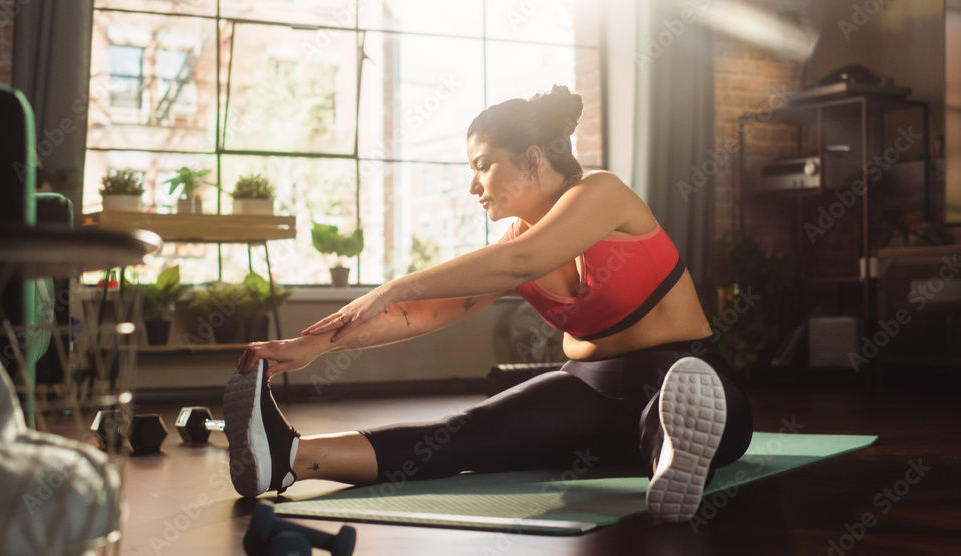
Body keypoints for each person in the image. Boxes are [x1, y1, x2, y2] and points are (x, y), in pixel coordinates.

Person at [225, 85, 753, 523]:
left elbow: (520, 263)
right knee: (465, 436)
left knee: (678, 410)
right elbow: (422, 312)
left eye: (483, 165)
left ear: (532, 159)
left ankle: (672, 454)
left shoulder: (602, 192)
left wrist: (392, 285)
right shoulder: (512, 246)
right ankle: (290, 459)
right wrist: (309, 347)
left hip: (683, 371)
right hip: (587, 388)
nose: (474, 185)